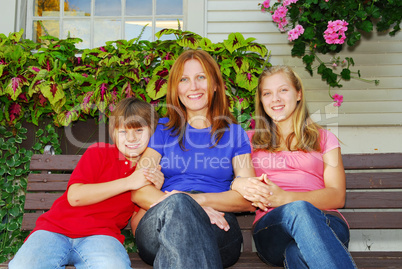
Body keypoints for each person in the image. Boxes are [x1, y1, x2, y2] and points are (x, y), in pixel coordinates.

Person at [130, 49, 256, 268]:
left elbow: (247, 199)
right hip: (161, 219)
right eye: (184, 79)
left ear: (215, 84)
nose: (193, 87)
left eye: (201, 77)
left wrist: (196, 203)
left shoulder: (235, 134)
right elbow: (139, 189)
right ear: (176, 88)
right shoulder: (162, 130)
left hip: (218, 224)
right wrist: (181, 205)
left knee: (181, 216)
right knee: (178, 207)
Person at [9, 98, 163, 269]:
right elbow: (75, 197)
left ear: (153, 132)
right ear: (114, 133)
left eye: (139, 130)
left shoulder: (148, 170)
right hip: (54, 230)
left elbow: (136, 228)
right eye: (123, 132)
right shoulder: (99, 152)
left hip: (102, 237)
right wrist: (129, 182)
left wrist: (150, 195)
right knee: (23, 266)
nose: (132, 138)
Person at [231, 66, 357, 268]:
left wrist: (285, 198)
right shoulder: (248, 141)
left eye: (283, 90)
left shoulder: (325, 139)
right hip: (272, 228)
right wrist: (237, 183)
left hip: (327, 221)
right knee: (298, 211)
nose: (275, 99)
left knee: (297, 253)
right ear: (261, 101)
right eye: (267, 93)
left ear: (298, 94)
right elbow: (229, 177)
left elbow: (337, 195)